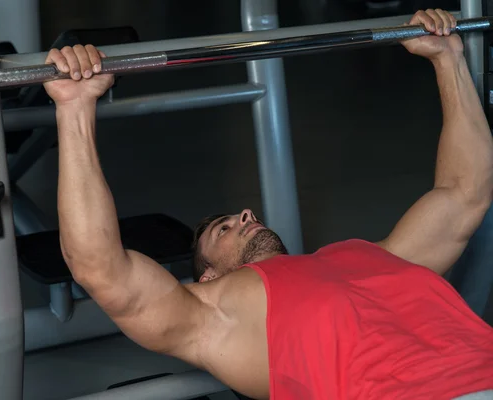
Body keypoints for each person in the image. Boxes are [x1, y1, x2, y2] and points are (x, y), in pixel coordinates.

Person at [43, 9, 493, 400]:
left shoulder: (379, 257)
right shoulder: (215, 314)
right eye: (223, 229)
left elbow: (465, 190)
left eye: (240, 217)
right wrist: (76, 106)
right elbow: (99, 265)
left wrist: (447, 58)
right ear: (208, 275)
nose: (246, 214)